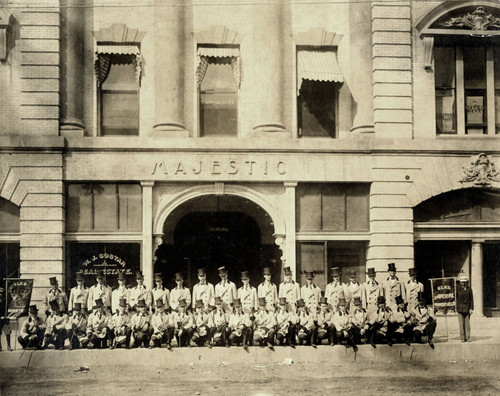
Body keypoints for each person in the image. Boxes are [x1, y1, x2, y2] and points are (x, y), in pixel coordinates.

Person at [456, 275, 474, 343]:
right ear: (460, 282)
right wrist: (455, 307)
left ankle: (468, 337)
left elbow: (471, 299)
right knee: (461, 324)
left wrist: (471, 308)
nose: (463, 283)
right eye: (462, 282)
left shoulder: (469, 289)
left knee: (467, 324)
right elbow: (455, 299)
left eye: (465, 282)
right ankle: (462, 338)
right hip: (460, 308)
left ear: (467, 282)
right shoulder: (457, 289)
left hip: (467, 309)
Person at [0, 287, 12, 351]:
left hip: (5, 319)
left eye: (1, 293)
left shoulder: (6, 301)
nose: (0, 294)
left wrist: (6, 315)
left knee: (8, 332)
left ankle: (9, 346)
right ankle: (0, 346)